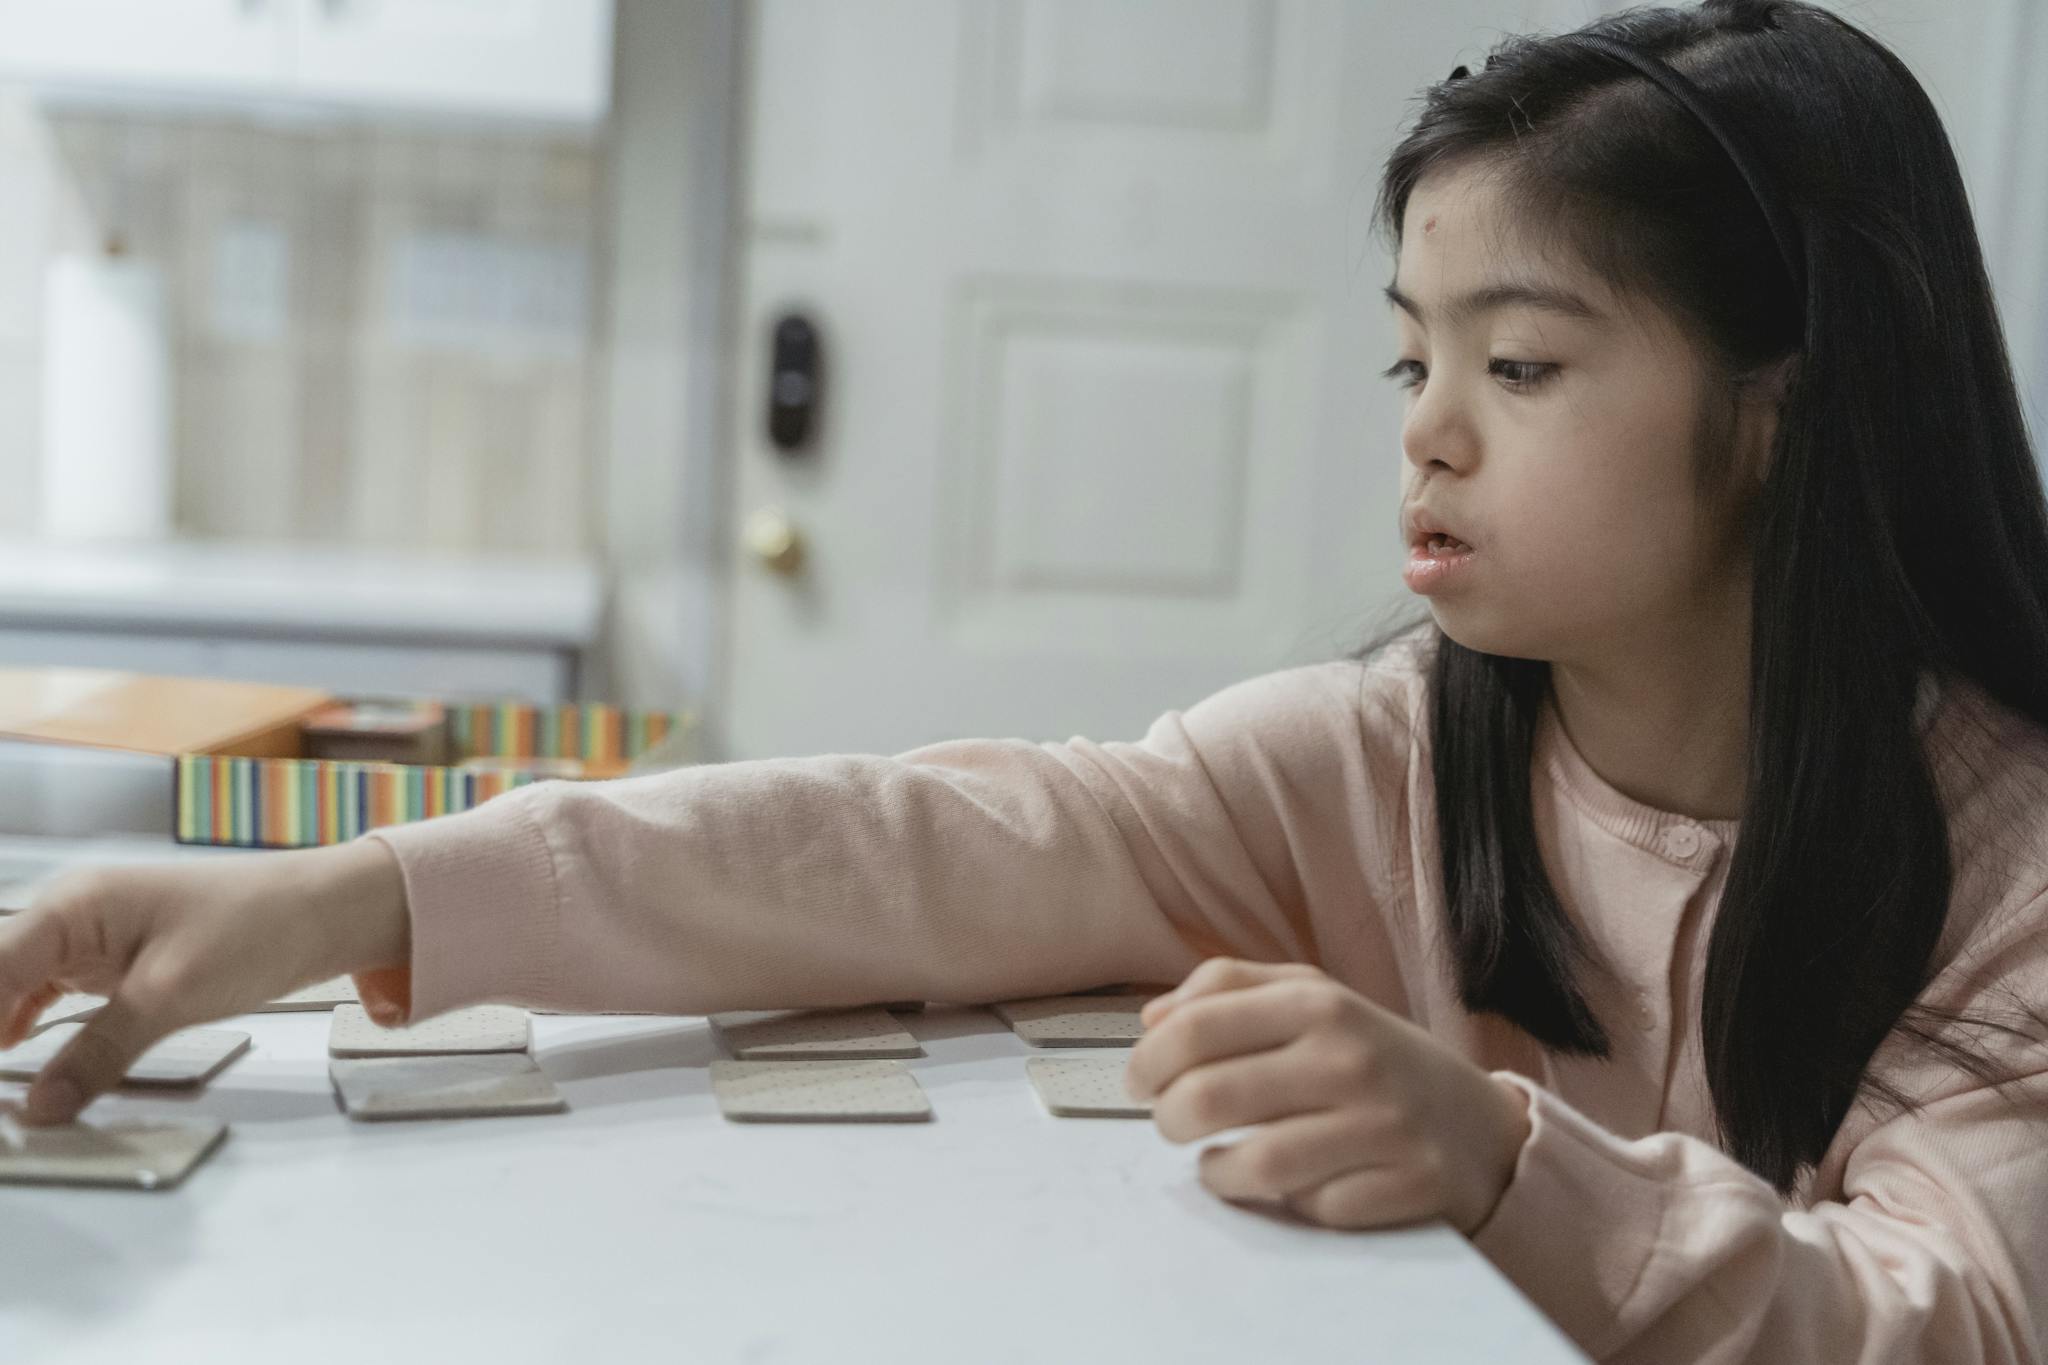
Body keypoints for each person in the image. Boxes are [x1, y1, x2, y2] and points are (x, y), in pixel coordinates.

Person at [5, 1, 2047, 1358]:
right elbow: (916, 841)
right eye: (1406, 354)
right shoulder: (1385, 748)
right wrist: (339, 895)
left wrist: (1505, 1158)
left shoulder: (2006, 850)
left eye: (1516, 366)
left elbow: (1946, 1316)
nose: (1426, 430)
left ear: (1785, 406)